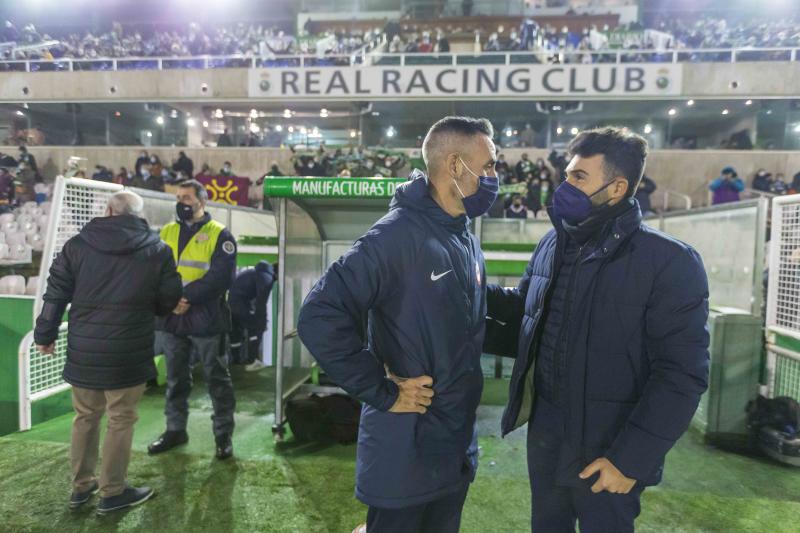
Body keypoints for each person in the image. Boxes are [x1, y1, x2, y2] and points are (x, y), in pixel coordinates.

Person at [483, 127, 709, 532]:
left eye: (579, 177)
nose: (564, 185)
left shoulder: (669, 262)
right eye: (567, 175)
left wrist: (630, 460)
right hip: (547, 439)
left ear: (617, 187)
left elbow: (682, 374)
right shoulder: (553, 245)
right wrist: (469, 294)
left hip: (610, 449)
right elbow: (529, 319)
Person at [298, 116, 498, 533]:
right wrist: (382, 390)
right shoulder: (393, 237)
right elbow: (318, 316)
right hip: (406, 448)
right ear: (457, 166)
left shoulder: (463, 236)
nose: (496, 177)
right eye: (490, 165)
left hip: (454, 447)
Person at [33, 191, 182, 514]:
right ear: (137, 215)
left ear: (108, 210)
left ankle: (81, 487)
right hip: (129, 350)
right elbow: (169, 298)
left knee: (85, 416)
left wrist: (44, 334)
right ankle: (112, 492)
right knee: (121, 418)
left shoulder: (77, 245)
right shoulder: (158, 250)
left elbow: (55, 295)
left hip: (85, 348)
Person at [148, 180, 238, 460]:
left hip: (206, 318)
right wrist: (170, 301)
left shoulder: (220, 234)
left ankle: (223, 436)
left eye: (186, 197)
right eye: (178, 197)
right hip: (172, 320)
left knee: (217, 379)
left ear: (202, 201)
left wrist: (183, 298)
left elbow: (221, 278)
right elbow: (155, 269)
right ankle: (175, 429)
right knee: (175, 378)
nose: (181, 202)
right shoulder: (166, 231)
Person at [229, 261, 276, 371]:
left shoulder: (254, 272)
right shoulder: (266, 278)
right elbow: (261, 302)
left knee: (236, 334)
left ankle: (235, 362)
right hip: (241, 304)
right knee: (256, 328)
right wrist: (262, 321)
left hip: (232, 305)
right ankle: (252, 361)